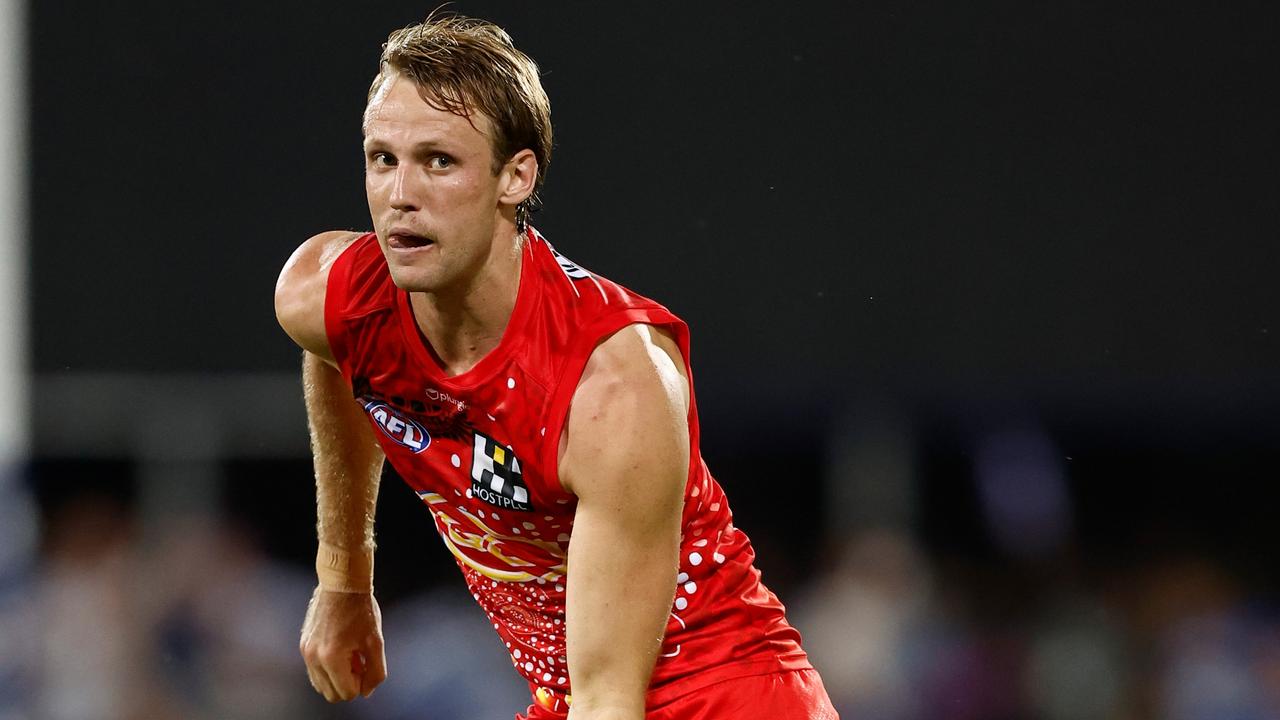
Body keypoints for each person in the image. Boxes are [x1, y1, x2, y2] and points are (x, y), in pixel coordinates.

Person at [274, 13, 838, 720]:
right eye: (383, 159)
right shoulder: (326, 295)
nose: (399, 195)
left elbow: (609, 697)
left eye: (439, 161)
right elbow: (336, 356)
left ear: (517, 176)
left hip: (723, 698)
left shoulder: (609, 386)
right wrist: (345, 580)